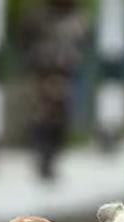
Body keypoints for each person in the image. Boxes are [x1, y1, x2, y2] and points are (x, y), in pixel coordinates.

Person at [21, 0, 90, 181]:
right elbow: (26, 38)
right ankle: (43, 157)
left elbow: (83, 40)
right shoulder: (38, 15)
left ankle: (52, 157)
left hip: (65, 72)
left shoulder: (77, 18)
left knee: (60, 116)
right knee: (42, 114)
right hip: (44, 71)